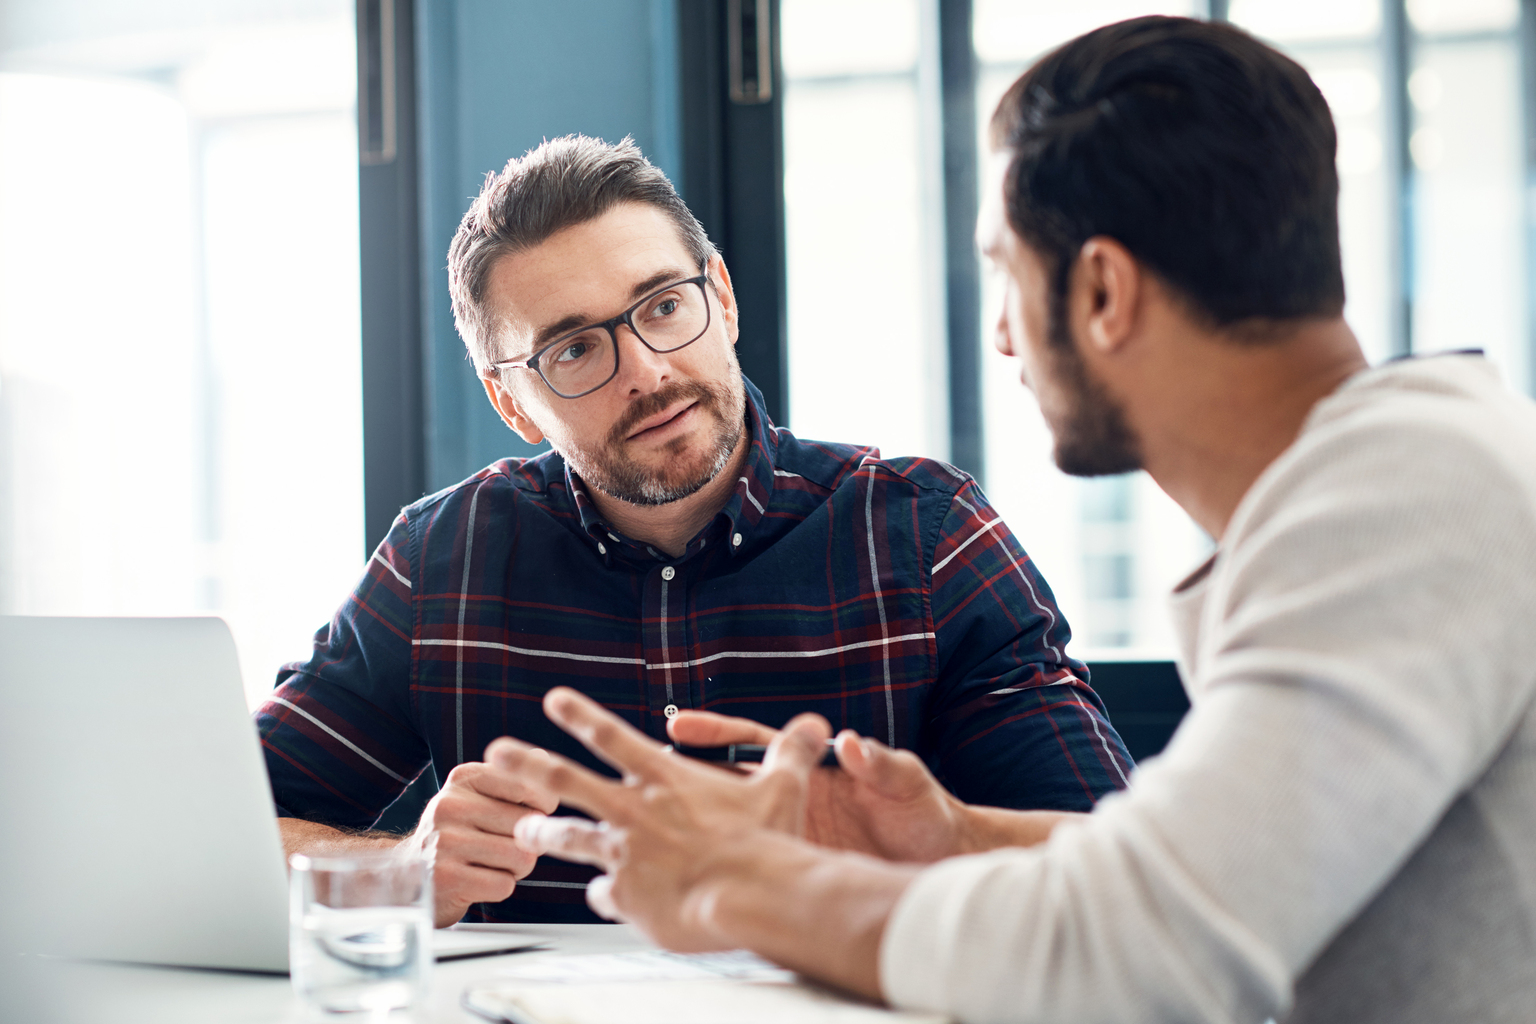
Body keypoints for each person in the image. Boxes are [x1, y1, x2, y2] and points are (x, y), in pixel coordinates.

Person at [496, 16, 1536, 1023]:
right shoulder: (1401, 483)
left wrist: (744, 885)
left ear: (1102, 293)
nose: (999, 336)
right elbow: (1195, 878)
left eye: (1004, 270)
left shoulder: (1406, 501)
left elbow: (1138, 952)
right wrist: (947, 829)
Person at [256, 135, 1131, 927]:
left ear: (722, 297)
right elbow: (222, 836)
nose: (646, 369)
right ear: (509, 401)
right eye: (573, 350)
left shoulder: (927, 536)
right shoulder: (437, 563)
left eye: (664, 305)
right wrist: (396, 870)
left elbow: (1114, 870)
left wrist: (924, 842)